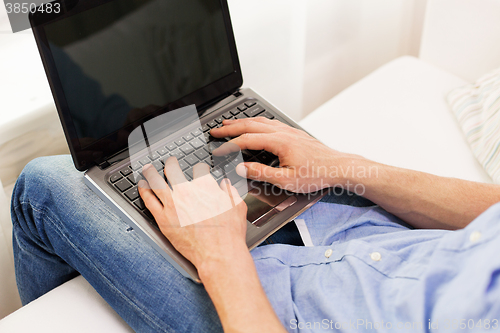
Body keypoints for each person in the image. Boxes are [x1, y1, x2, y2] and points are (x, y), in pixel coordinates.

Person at [11, 117, 500, 332]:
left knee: (43, 186)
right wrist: (345, 166)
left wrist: (220, 251)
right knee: (194, 135)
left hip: (263, 314)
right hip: (366, 236)